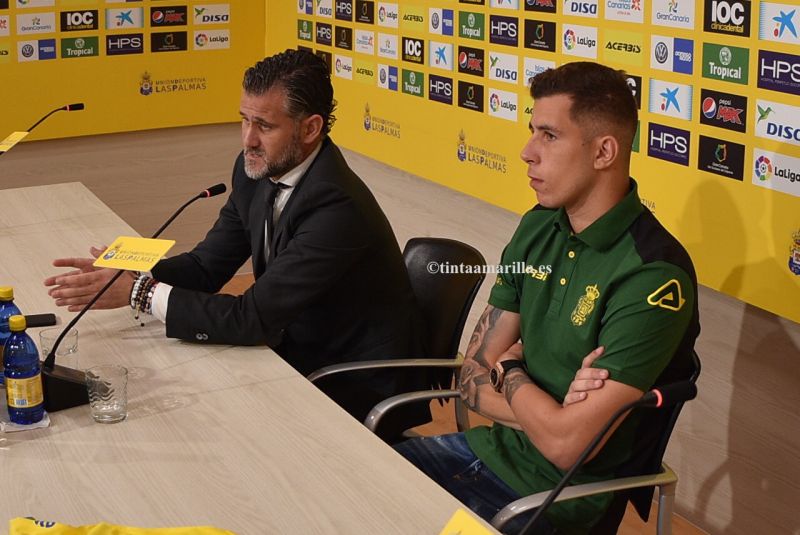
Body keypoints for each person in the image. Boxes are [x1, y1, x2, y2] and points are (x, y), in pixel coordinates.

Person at [44, 49, 429, 440]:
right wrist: (132, 274)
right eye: (244, 119)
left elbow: (252, 319)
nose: (248, 139)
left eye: (264, 125)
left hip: (347, 377)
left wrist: (141, 293)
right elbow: (206, 266)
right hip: (292, 349)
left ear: (310, 128)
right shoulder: (254, 174)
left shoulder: (337, 205)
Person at [395, 62, 700, 533]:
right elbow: (472, 377)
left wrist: (510, 369)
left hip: (554, 503)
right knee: (347, 482)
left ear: (604, 151)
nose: (527, 152)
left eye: (549, 136)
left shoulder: (654, 274)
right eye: (532, 131)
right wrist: (548, 414)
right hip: (486, 452)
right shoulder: (538, 226)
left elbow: (566, 448)